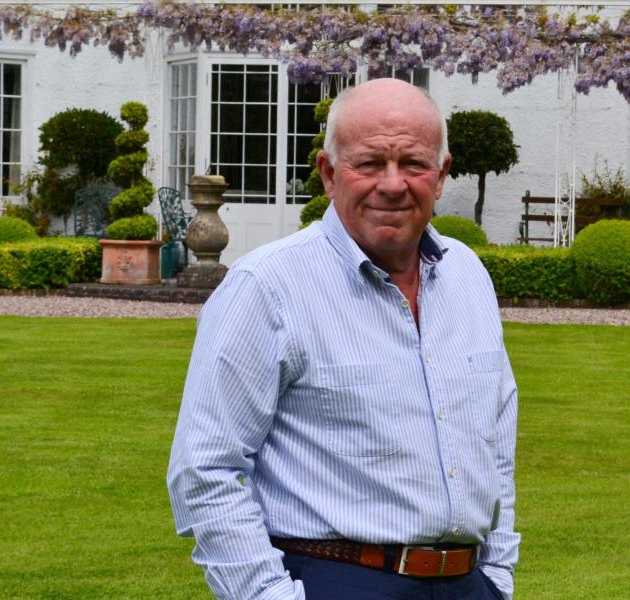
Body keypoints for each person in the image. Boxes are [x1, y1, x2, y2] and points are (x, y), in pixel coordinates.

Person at [168, 78, 519, 600]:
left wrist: (497, 576)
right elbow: (205, 469)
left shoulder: (468, 277)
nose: (393, 184)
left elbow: (496, 447)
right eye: (370, 163)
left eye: (414, 164)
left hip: (467, 584)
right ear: (329, 174)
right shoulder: (267, 287)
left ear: (441, 176)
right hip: (338, 578)